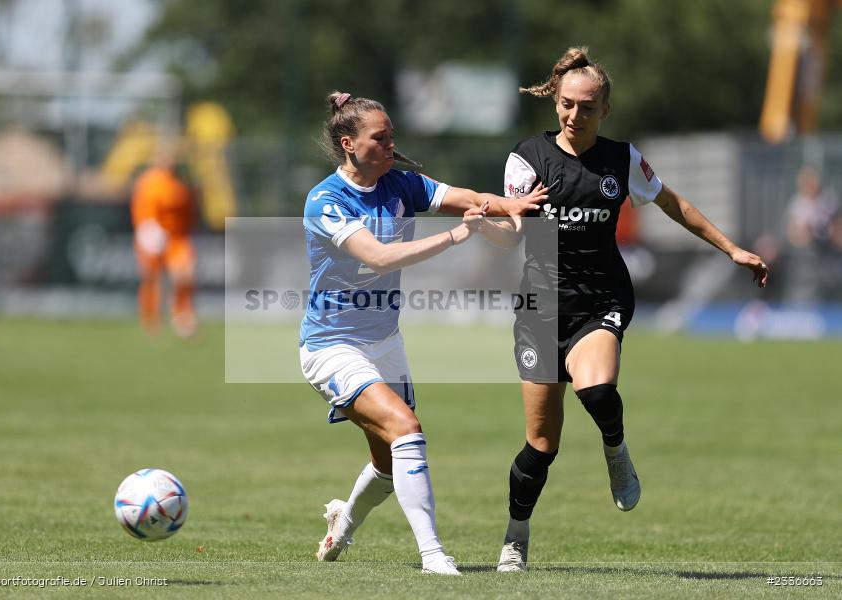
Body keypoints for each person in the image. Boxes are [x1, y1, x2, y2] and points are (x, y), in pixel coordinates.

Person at [472, 47, 770, 572]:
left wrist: (732, 249)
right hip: (541, 307)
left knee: (598, 388)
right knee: (540, 446)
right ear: (556, 102)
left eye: (587, 107)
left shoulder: (622, 160)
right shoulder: (528, 158)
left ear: (605, 109)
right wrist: (486, 224)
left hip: (601, 300)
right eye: (566, 105)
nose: (574, 115)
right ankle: (516, 535)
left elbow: (675, 205)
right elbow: (511, 233)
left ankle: (615, 448)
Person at [301, 91, 545, 575]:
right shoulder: (324, 200)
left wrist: (517, 205)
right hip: (332, 346)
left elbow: (467, 199)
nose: (392, 145)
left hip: (386, 343)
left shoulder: (402, 184)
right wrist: (461, 234)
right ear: (348, 143)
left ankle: (341, 525)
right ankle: (434, 556)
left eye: (393, 136)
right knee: (407, 431)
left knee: (391, 463)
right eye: (381, 138)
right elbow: (380, 257)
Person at [131, 143, 199, 338]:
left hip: (177, 238)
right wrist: (149, 234)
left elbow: (187, 212)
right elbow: (143, 212)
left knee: (185, 275)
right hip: (153, 235)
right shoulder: (149, 183)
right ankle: (151, 320)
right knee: (151, 278)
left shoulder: (181, 183)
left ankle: (182, 316)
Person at [783, 165, 839, 304]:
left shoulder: (828, 200)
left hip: (829, 253)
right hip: (806, 256)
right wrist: (806, 236)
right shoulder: (797, 204)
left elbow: (837, 226)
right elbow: (793, 235)